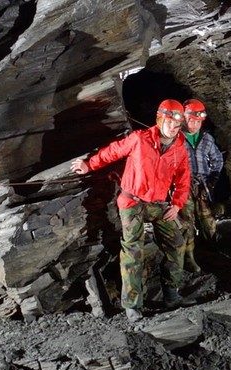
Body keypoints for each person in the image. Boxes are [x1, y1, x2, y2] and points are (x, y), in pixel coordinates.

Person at [71, 99, 192, 322]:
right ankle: (133, 305)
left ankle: (171, 296)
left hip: (157, 204)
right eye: (170, 121)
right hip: (132, 202)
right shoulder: (140, 139)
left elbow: (183, 180)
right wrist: (89, 165)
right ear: (160, 119)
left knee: (176, 243)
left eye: (178, 123)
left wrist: (176, 204)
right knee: (133, 251)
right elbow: (112, 152)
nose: (174, 127)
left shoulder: (180, 149)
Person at [180, 98, 225, 273]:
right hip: (183, 187)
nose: (196, 124)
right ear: (184, 118)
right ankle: (189, 258)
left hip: (203, 185)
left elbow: (217, 159)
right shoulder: (176, 139)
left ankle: (214, 248)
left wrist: (213, 177)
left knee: (208, 218)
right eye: (192, 120)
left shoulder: (206, 139)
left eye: (199, 121)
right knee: (187, 222)